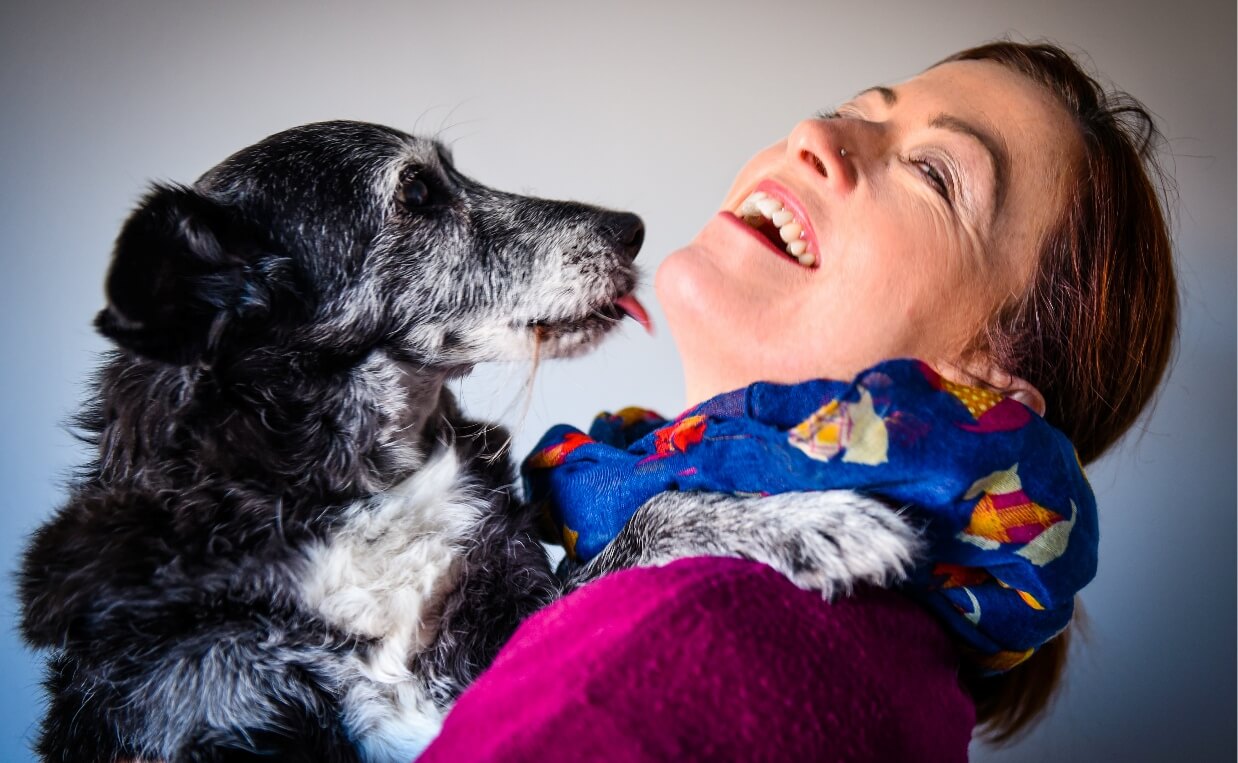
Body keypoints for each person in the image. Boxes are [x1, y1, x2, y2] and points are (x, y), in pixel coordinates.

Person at [420, 40, 1177, 760]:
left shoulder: (715, 629)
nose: (817, 130)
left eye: (936, 174)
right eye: (855, 108)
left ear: (987, 394)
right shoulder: (866, 655)